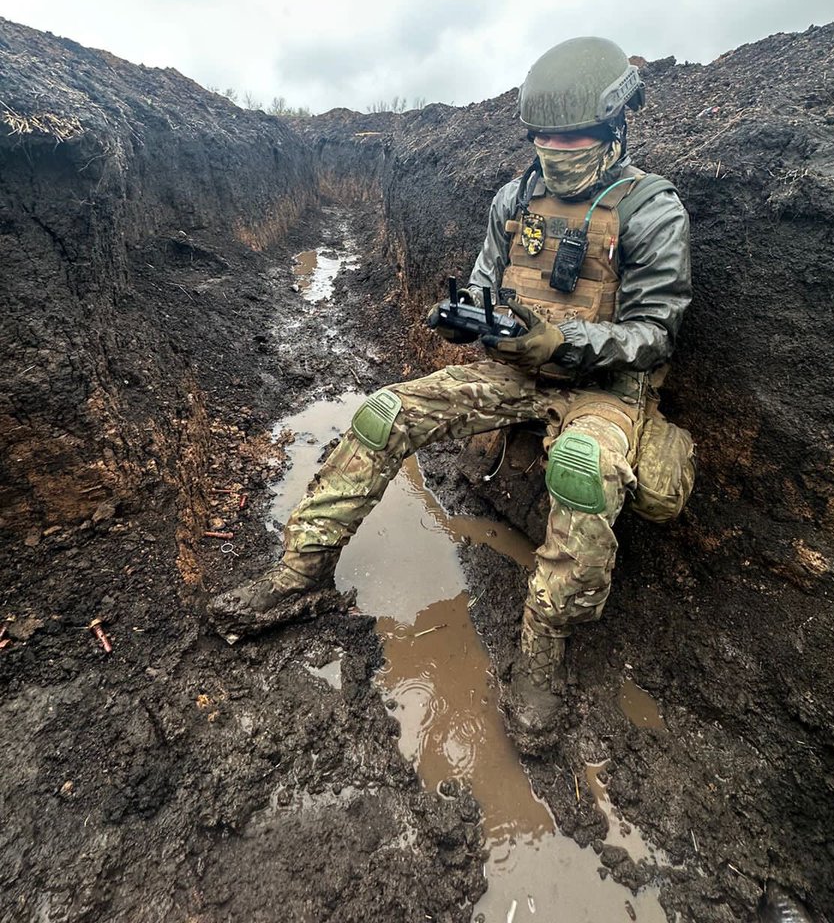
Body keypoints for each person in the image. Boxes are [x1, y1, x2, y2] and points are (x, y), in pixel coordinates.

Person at [210, 36, 695, 749]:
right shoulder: (516, 199)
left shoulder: (651, 209)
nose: (557, 149)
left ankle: (542, 656)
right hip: (514, 372)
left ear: (616, 127)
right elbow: (485, 283)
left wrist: (562, 343)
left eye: (574, 136)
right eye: (545, 136)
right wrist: (467, 315)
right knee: (385, 415)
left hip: (604, 390)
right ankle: (299, 572)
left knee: (582, 470)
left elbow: (655, 333)